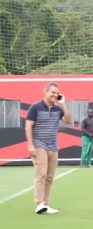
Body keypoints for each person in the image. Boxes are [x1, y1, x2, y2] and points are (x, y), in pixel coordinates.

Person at [25, 83, 72, 214]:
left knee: (50, 177)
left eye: (57, 93)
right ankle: (39, 204)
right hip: (39, 144)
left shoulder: (58, 109)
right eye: (52, 92)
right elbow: (28, 126)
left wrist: (63, 104)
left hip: (53, 146)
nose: (55, 95)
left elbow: (68, 120)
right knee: (42, 174)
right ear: (45, 93)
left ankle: (45, 204)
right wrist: (30, 145)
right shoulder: (35, 107)